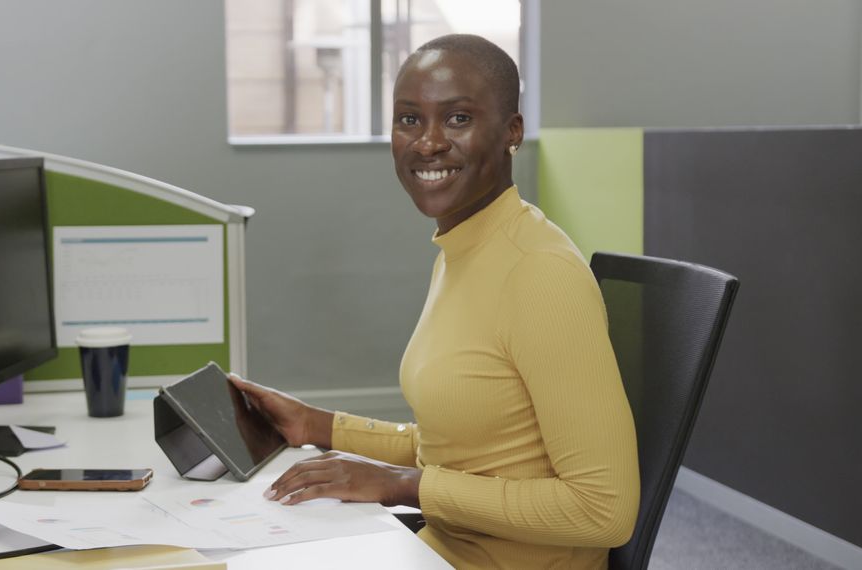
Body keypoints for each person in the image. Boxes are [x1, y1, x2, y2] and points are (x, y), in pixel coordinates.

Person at [229, 34, 639, 569]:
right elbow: (461, 446)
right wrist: (317, 426)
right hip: (438, 551)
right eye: (408, 119)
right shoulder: (464, 248)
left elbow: (603, 510)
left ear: (512, 131)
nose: (427, 143)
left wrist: (402, 485)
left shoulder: (540, 273)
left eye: (458, 119)